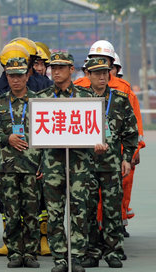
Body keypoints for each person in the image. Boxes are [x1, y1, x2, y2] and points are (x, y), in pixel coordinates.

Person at [35, 52, 104, 272]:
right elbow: (34, 134)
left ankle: (77, 256)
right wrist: (38, 164)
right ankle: (60, 259)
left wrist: (102, 143)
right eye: (52, 68)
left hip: (79, 164)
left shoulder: (87, 98)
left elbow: (104, 130)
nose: (55, 72)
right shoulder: (42, 99)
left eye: (61, 68)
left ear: (71, 69)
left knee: (79, 211)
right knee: (55, 213)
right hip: (52, 164)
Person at [74, 41, 145, 237]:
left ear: (112, 65)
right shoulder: (78, 89)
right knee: (88, 199)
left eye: (105, 63)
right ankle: (94, 238)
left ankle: (115, 235)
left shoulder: (123, 89)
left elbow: (134, 124)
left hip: (116, 155)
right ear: (88, 69)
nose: (101, 69)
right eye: (95, 63)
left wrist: (133, 151)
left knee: (116, 197)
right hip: (86, 157)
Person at [0, 57, 42, 268]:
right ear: (6, 77)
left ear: (27, 76)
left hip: (32, 166)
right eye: (11, 76)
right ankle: (15, 253)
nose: (16, 80)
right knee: (11, 212)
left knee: (32, 213)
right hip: (7, 167)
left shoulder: (39, 102)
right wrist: (7, 138)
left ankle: (31, 254)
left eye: (20, 75)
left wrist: (43, 163)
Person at [81, 57, 138, 268]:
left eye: (105, 73)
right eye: (97, 73)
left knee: (112, 209)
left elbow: (130, 133)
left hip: (112, 165)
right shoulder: (80, 100)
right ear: (88, 75)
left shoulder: (120, 99)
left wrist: (127, 159)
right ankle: (93, 251)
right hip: (86, 164)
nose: (102, 77)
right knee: (88, 210)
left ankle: (114, 251)